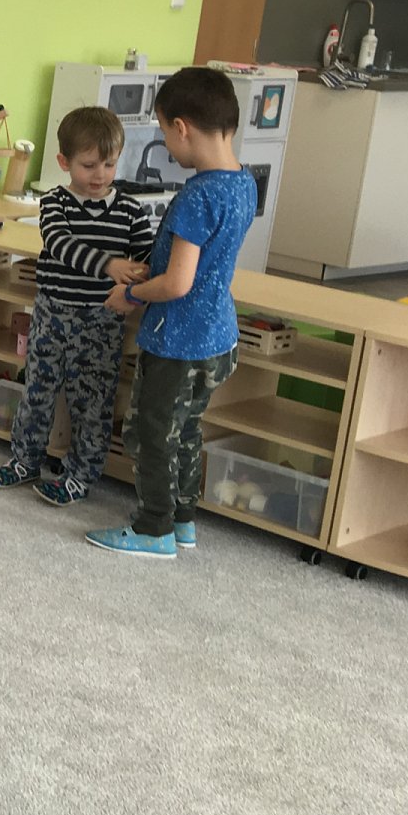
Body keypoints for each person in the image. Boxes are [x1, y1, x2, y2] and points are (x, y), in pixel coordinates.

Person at [89, 68, 257, 558]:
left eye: (164, 131)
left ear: (182, 127)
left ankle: (153, 528)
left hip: (179, 338)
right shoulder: (242, 182)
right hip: (218, 336)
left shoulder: (198, 195)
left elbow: (179, 284)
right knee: (185, 430)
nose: (166, 142)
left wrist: (131, 294)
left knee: (151, 433)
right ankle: (182, 521)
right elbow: (202, 264)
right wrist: (156, 269)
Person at [0, 107, 154, 506]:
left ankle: (79, 476)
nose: (100, 175)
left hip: (102, 321)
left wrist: (145, 279)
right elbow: (61, 245)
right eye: (88, 165)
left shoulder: (132, 211)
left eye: (109, 164)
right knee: (37, 391)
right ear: (65, 162)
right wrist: (109, 265)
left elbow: (148, 258)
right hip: (52, 313)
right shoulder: (55, 202)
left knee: (93, 402)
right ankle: (25, 460)